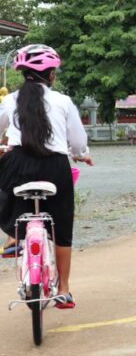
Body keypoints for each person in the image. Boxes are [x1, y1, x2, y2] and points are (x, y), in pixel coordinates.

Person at [0, 44, 93, 309]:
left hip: (18, 164)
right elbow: (77, 142)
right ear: (51, 74)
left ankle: (14, 236)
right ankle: (63, 290)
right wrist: (82, 154)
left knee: (7, 183)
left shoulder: (10, 100)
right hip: (55, 167)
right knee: (62, 226)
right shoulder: (62, 101)